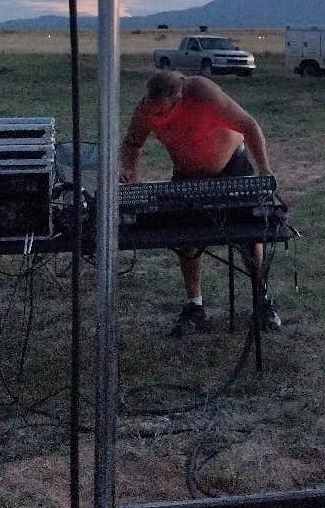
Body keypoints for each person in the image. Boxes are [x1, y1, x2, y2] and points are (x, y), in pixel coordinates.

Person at [119, 69, 281, 336]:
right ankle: (194, 305)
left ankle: (260, 298)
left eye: (163, 112)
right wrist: (129, 169)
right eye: (153, 110)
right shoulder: (146, 109)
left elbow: (248, 124)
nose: (157, 118)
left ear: (179, 98)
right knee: (187, 238)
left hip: (231, 167)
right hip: (186, 175)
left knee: (249, 234)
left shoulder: (203, 93)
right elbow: (132, 143)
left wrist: (264, 169)